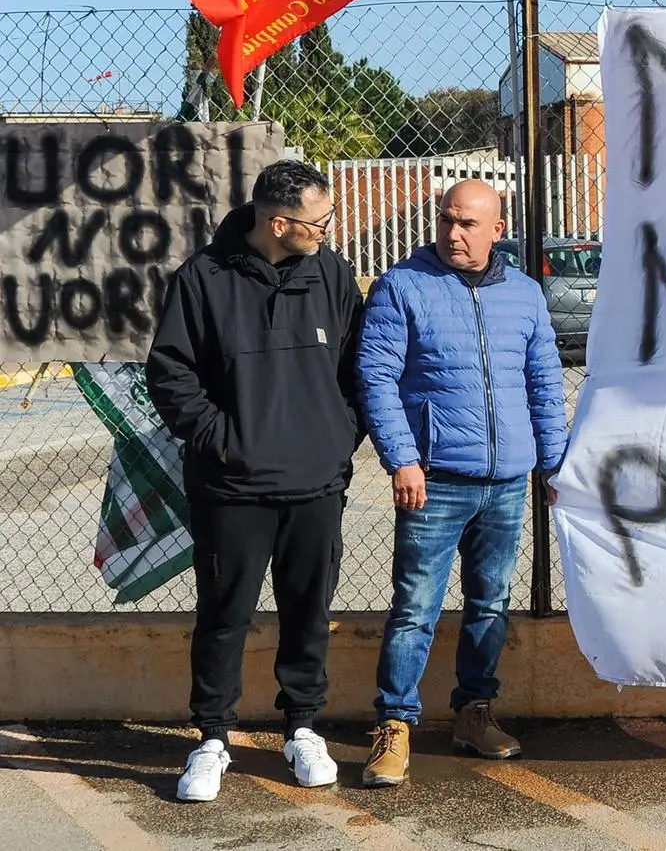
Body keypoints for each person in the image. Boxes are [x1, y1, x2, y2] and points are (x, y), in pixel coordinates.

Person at [146, 160, 364, 803]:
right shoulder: (203, 279)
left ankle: (302, 729)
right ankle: (212, 738)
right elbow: (171, 374)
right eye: (319, 220)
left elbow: (359, 365)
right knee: (223, 615)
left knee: (309, 613)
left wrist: (337, 436)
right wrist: (225, 442)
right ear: (278, 222)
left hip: (316, 483)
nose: (329, 229)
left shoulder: (332, 273)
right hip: (232, 488)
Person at [356, 180, 568, 788]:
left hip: (505, 483)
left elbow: (545, 385)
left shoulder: (525, 295)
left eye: (469, 224)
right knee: (415, 607)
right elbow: (377, 379)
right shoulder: (404, 286)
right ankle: (394, 725)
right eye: (447, 220)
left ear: (497, 229)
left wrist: (553, 466)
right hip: (433, 481)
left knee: (491, 603)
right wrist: (402, 458)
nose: (454, 233)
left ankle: (475, 712)